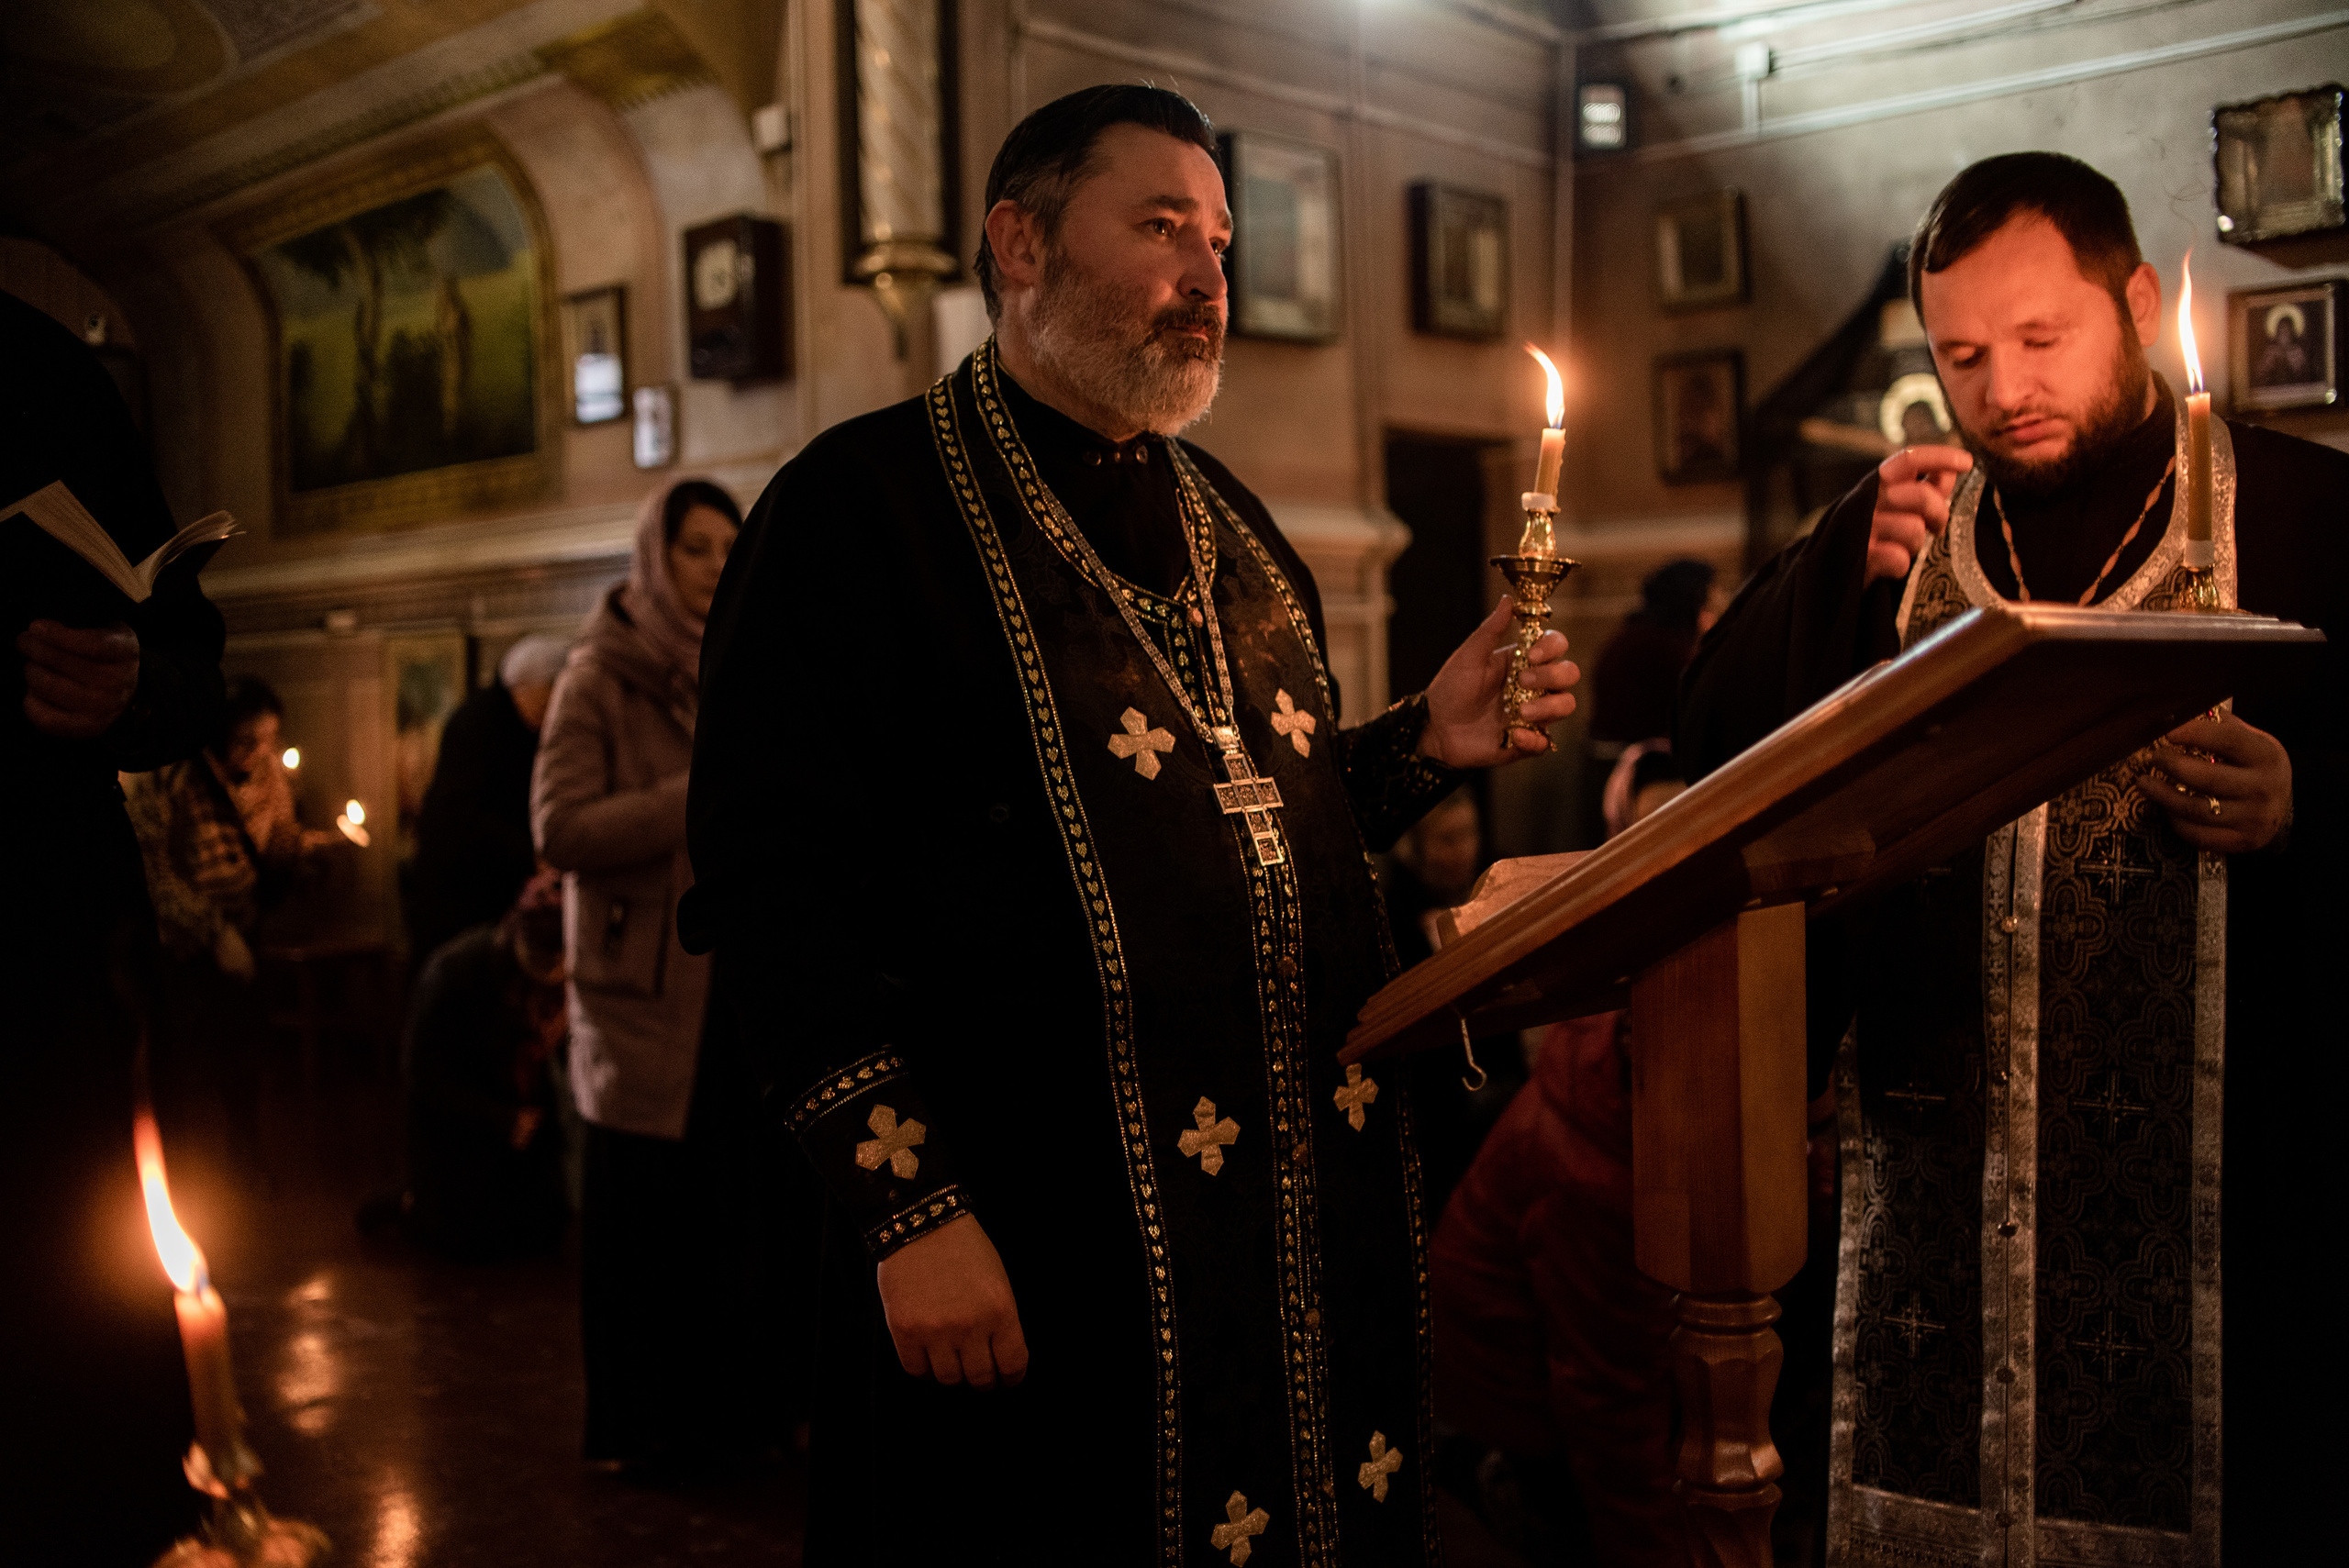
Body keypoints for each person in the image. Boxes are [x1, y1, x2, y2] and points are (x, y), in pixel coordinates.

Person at [685, 85, 1578, 1565]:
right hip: (1038, 1228)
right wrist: (908, 1208)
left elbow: (1241, 834)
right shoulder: (862, 508)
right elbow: (776, 892)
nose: (1208, 272)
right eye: (1161, 225)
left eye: (1218, 236)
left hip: (1289, 1231)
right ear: (1019, 241)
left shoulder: (1233, 523)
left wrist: (1426, 738)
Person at [1678, 152, 2345, 1560]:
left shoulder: (2303, 516)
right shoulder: (1911, 532)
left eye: (2043, 339)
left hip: (2231, 1215)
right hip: (1933, 1192)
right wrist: (1829, 560)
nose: (2002, 390)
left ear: (2139, 304)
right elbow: (1715, 744)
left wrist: (2306, 802)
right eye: (1964, 354)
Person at [1, 288, 227, 1563]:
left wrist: (141, 679)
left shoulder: (37, 368)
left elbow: (187, 641)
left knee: (64, 1374)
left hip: (33, 971)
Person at [533, 475, 779, 1472]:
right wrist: (690, 796)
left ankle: (728, 1421)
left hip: (731, 983)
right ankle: (637, 1429)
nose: (716, 565)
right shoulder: (598, 674)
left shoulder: (743, 665)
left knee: (732, 1209)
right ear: (653, 555)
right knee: (641, 1219)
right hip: (639, 992)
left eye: (729, 547)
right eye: (696, 548)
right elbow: (559, 826)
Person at [126, 674, 328, 1187]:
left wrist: (296, 855)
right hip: (183, 949)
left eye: (267, 740)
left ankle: (244, 1166)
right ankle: (186, 1179)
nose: (260, 753)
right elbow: (151, 871)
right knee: (184, 1069)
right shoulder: (169, 772)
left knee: (243, 1061)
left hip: (245, 936)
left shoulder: (265, 777)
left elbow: (267, 855)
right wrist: (213, 931)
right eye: (247, 740)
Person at [391, 867, 570, 1261]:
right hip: (463, 1145)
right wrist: (502, 1119)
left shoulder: (540, 984)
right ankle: (414, 1207)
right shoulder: (455, 974)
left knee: (544, 1228)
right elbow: (425, 1080)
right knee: (492, 1241)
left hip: (511, 1134)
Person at [405, 632, 568, 969]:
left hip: (492, 887)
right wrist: (531, 855)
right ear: (522, 686)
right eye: (547, 696)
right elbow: (464, 817)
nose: (551, 707)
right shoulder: (476, 725)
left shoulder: (522, 726)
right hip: (458, 893)